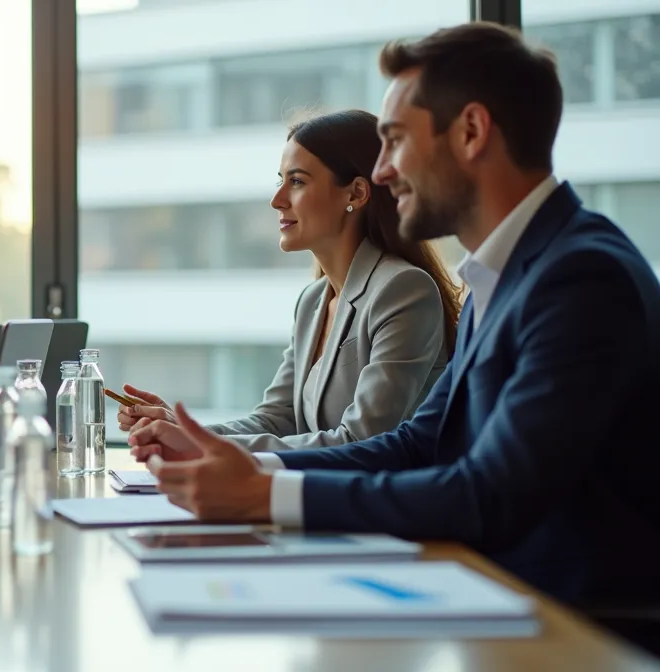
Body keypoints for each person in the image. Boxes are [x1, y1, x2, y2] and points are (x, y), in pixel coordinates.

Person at [128, 22, 660, 611]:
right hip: (501, 605)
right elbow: (415, 443)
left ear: (471, 132)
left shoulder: (580, 277)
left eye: (397, 140)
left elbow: (490, 493)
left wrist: (266, 496)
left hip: (578, 630)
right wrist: (257, 471)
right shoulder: (501, 276)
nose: (381, 171)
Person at [119, 109, 462, 452]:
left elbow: (360, 440)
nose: (277, 200)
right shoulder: (313, 301)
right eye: (280, 180)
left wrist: (199, 445)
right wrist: (185, 431)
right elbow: (276, 419)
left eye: (297, 181)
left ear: (356, 194)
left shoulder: (403, 291)